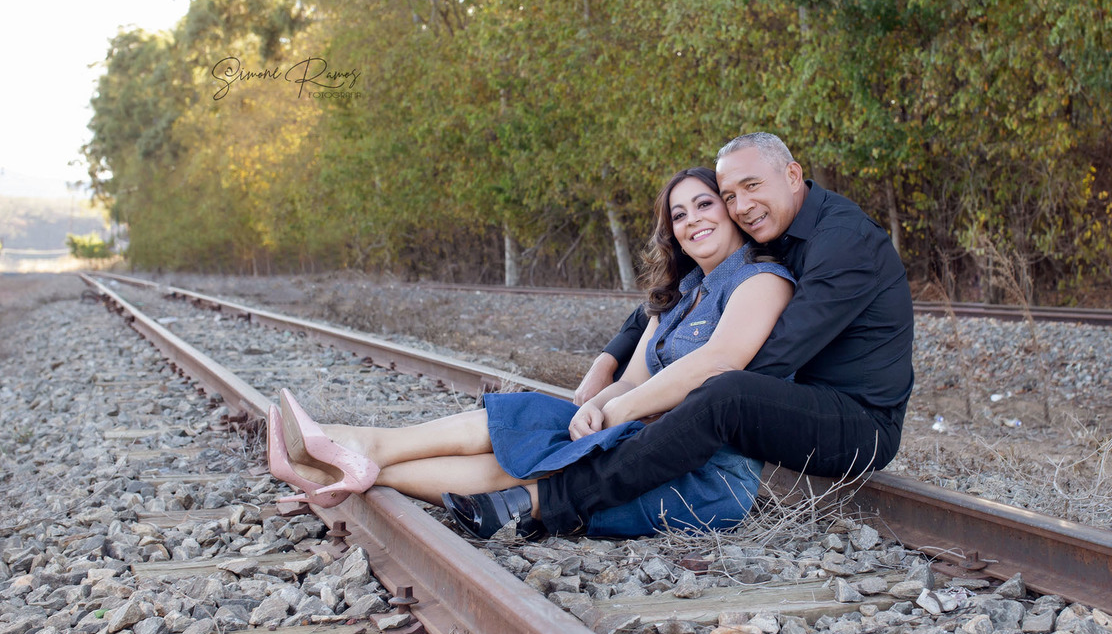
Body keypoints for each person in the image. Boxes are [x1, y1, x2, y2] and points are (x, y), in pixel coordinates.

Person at [268, 167, 795, 537]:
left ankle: (350, 456)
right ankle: (360, 456)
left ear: (730, 211)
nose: (692, 220)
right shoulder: (677, 296)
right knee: (534, 418)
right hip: (640, 440)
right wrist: (596, 406)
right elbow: (633, 379)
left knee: (539, 457)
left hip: (701, 474)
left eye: (704, 204)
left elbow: (717, 361)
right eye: (679, 215)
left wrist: (612, 411)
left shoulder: (761, 280)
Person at [443, 132, 914, 539]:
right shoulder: (778, 227)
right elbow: (673, 301)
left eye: (752, 186)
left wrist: (646, 404)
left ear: (793, 175)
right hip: (802, 402)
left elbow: (771, 358)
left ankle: (545, 502)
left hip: (858, 424)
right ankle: (547, 476)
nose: (742, 206)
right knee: (701, 391)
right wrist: (609, 360)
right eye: (730, 196)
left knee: (726, 392)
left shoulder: (843, 241)